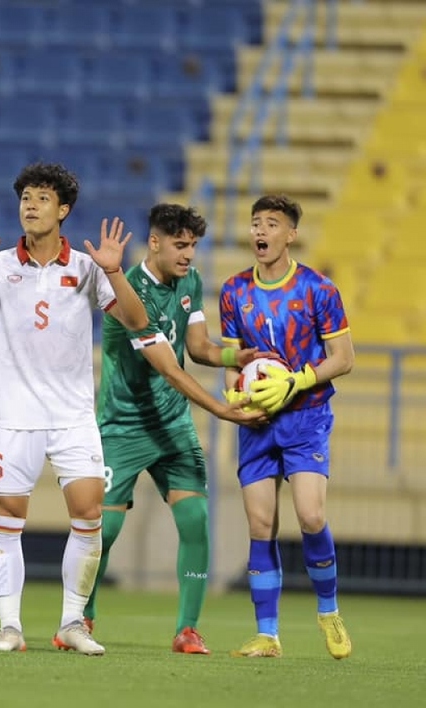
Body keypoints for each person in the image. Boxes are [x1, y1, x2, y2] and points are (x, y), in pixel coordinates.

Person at [0, 162, 150, 656]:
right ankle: (9, 628)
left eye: (43, 197)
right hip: (14, 416)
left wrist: (112, 270)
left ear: (63, 210)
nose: (30, 204)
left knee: (89, 514)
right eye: (26, 196)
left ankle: (71, 623)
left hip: (72, 418)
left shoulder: (86, 268)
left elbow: (136, 320)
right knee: (7, 517)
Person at [77, 203, 267, 654]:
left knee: (196, 521)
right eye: (180, 245)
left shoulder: (190, 282)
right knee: (104, 533)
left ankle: (187, 629)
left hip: (172, 425)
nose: (188, 255)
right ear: (156, 242)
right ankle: (82, 615)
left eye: (194, 246)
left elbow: (197, 347)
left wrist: (232, 357)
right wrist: (223, 411)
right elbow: (171, 371)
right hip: (122, 428)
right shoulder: (126, 294)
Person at [219, 194, 354, 659]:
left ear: (290, 234)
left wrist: (297, 380)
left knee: (311, 515)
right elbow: (234, 364)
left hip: (306, 416)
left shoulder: (319, 290)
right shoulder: (234, 291)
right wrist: (236, 392)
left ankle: (329, 611)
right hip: (258, 421)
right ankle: (268, 634)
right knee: (260, 525)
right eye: (256, 223)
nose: (260, 232)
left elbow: (344, 358)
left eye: (271, 224)